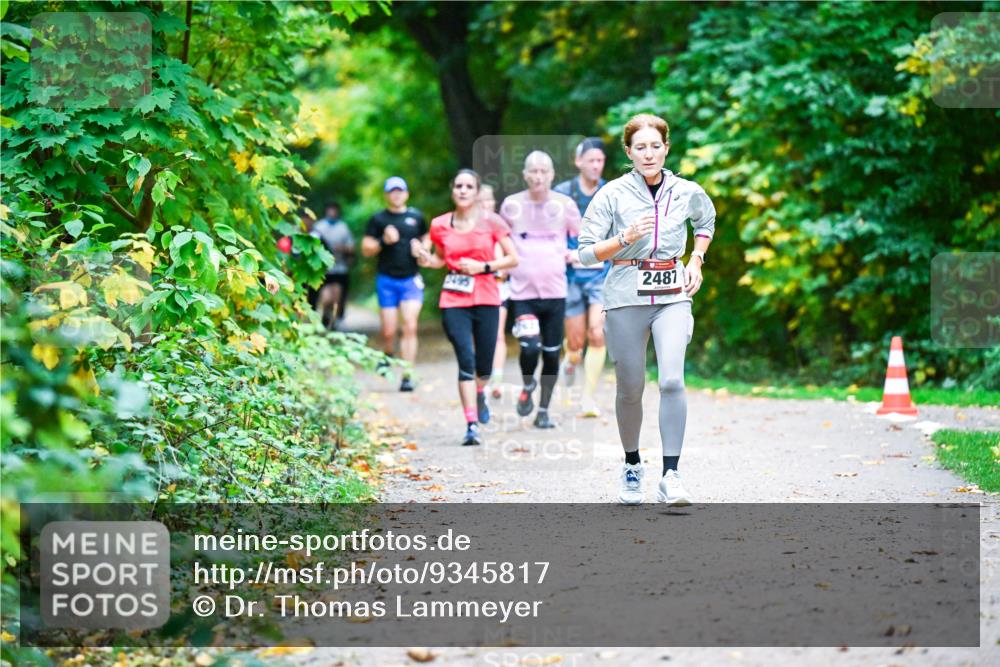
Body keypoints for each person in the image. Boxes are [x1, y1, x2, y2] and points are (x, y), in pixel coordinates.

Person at [575, 113, 715, 506]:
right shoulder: (612, 194)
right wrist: (622, 238)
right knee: (631, 388)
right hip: (625, 295)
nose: (649, 153)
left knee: (672, 381)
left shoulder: (687, 191)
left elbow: (706, 221)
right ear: (629, 152)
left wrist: (696, 259)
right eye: (641, 147)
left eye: (656, 146)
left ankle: (671, 474)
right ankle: (632, 464)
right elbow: (585, 252)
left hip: (672, 293)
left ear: (667, 148)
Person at [412, 170, 518, 446]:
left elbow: (513, 258)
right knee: (466, 361)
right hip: (453, 299)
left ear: (476, 191)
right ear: (453, 190)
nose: (462, 190)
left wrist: (483, 267)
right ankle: (471, 424)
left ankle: (480, 392)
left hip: (486, 297)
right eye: (458, 185)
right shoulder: (440, 224)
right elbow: (438, 260)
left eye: (468, 186)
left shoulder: (492, 222)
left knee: (484, 367)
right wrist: (425, 259)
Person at [500, 151, 582, 429]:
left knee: (550, 353)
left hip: (555, 293)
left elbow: (581, 237)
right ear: (525, 175)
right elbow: (499, 241)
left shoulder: (565, 205)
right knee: (530, 347)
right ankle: (527, 384)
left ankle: (543, 410)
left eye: (543, 171)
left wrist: (575, 254)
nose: (538, 176)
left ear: (551, 175)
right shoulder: (511, 205)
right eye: (532, 171)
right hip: (522, 294)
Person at [554, 137, 608, 417]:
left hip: (602, 274)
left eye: (601, 160)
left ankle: (588, 398)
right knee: (575, 343)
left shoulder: (611, 192)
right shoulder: (562, 194)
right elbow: (547, 232)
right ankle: (571, 359)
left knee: (597, 334)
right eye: (591, 160)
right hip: (570, 275)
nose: (596, 165)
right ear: (579, 162)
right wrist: (565, 252)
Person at [361, 177, 428, 391]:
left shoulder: (416, 217)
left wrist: (422, 248)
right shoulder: (378, 219)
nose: (396, 195)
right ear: (386, 195)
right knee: (389, 331)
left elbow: (428, 237)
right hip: (387, 280)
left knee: (410, 325)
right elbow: (366, 248)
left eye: (400, 191)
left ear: (406, 194)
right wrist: (383, 241)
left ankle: (407, 375)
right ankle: (388, 352)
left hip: (410, 279)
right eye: (392, 191)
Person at [478, 184, 511, 399]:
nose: (485, 204)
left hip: (498, 288)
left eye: (489, 200)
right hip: (475, 290)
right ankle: (480, 379)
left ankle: (497, 381)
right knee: (479, 337)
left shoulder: (500, 226)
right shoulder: (467, 228)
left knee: (497, 335)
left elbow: (509, 262)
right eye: (481, 201)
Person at [310, 201, 355, 330]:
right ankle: (326, 317)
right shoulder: (319, 227)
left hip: (340, 268)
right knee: (326, 297)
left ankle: (335, 319)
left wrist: (343, 249)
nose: (332, 213)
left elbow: (351, 248)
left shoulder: (343, 228)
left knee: (338, 296)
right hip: (323, 269)